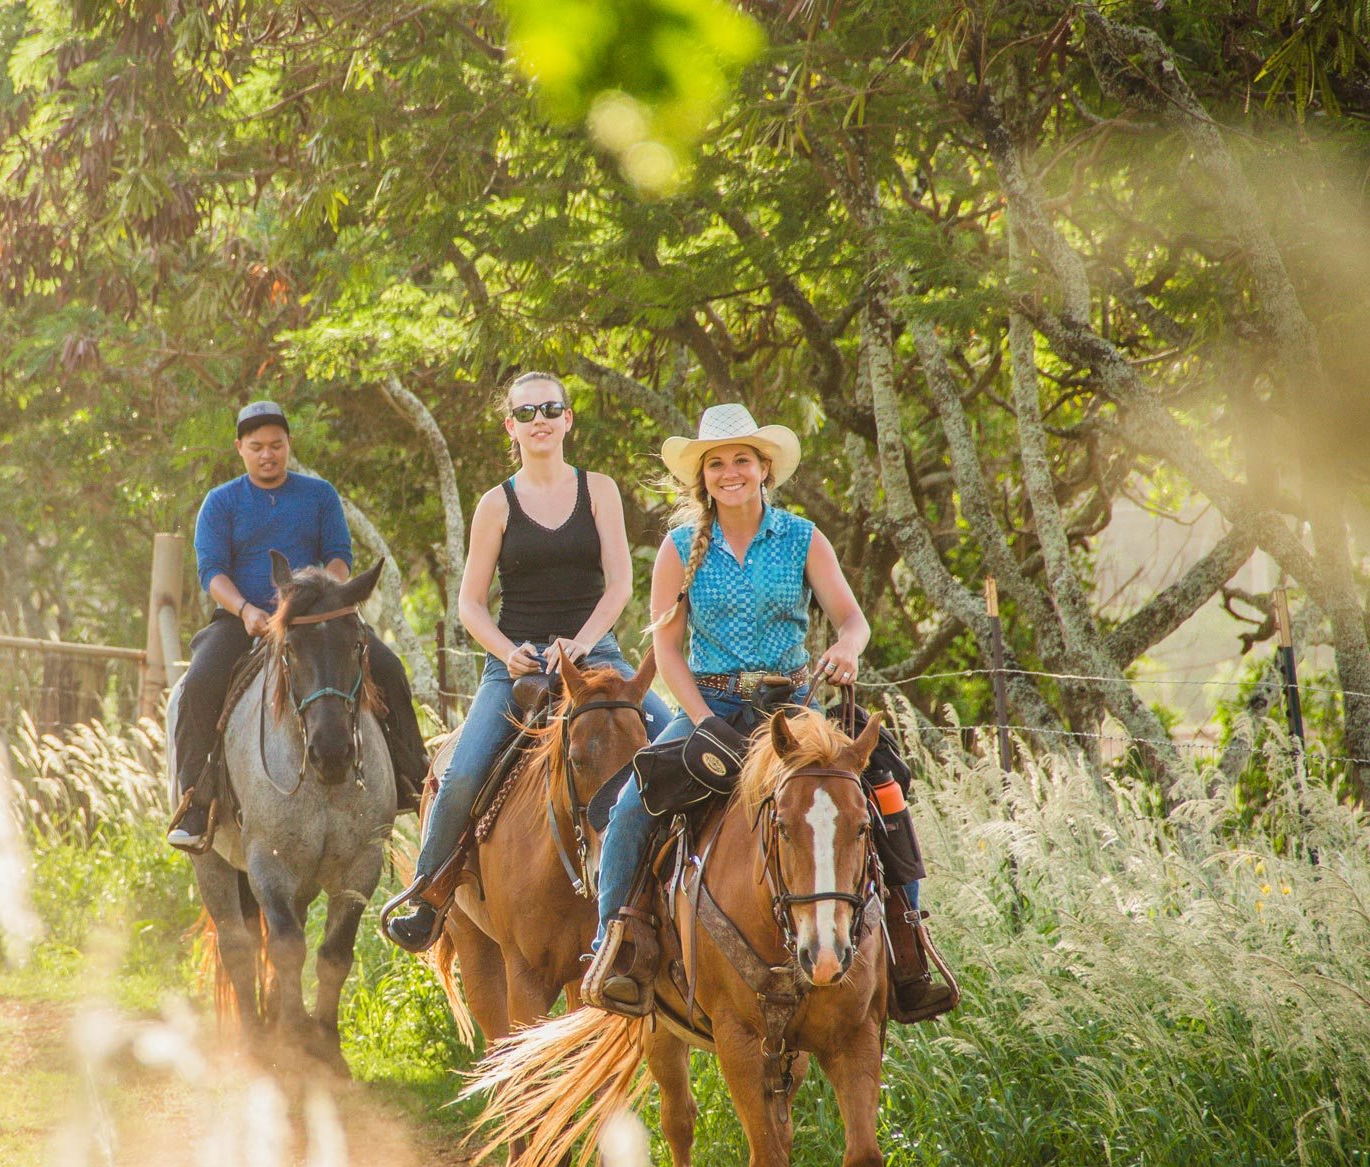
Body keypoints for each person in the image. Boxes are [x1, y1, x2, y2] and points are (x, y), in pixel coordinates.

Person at [585, 402, 955, 1016]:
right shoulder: (679, 550)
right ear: (702, 477)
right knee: (631, 805)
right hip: (712, 705)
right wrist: (700, 718)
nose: (730, 473)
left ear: (764, 470)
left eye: (742, 461)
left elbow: (852, 619)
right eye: (717, 464)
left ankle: (907, 944)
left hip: (794, 706)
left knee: (884, 791)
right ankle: (616, 947)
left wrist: (845, 648)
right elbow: (668, 651)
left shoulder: (803, 538)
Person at [383, 372, 673, 953]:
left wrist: (582, 644)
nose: (539, 419)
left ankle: (682, 887)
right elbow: (470, 602)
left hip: (596, 656)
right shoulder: (497, 503)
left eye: (550, 408)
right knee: (462, 773)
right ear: (510, 427)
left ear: (567, 419)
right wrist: (506, 651)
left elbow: (619, 586)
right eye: (526, 412)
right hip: (516, 664)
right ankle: (429, 894)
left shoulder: (599, 491)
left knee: (672, 742)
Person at [168, 400, 428, 851]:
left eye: (276, 445)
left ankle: (413, 777)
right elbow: (211, 572)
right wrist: (247, 610)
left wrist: (330, 599)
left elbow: (339, 557)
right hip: (244, 619)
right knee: (199, 681)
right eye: (257, 447)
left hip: (317, 619)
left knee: (388, 668)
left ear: (289, 445)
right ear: (240, 449)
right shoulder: (221, 502)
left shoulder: (319, 494)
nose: (267, 455)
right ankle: (195, 800)